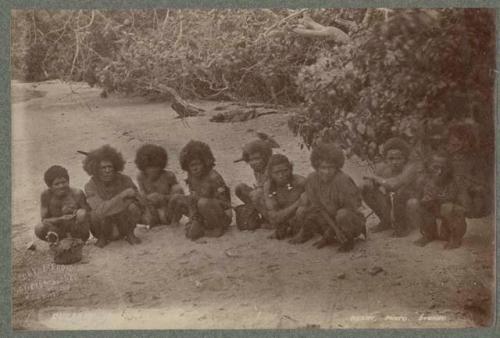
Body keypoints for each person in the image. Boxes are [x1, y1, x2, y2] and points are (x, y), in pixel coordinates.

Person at [290, 143, 366, 252]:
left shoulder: (343, 180)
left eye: (331, 167)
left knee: (342, 214)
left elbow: (351, 209)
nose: (326, 172)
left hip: (349, 221)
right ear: (316, 166)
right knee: (306, 211)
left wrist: (336, 232)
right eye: (323, 167)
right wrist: (334, 230)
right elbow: (319, 208)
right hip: (330, 219)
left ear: (337, 166)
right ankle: (326, 235)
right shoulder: (311, 179)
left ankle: (348, 240)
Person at [169, 140, 232, 240]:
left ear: (205, 162)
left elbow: (227, 205)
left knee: (203, 202)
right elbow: (192, 198)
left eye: (198, 164)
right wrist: (194, 218)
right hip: (202, 213)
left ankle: (217, 229)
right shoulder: (191, 175)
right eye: (192, 166)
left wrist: (203, 200)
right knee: (177, 198)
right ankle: (197, 224)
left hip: (220, 216)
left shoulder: (214, 177)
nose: (195, 168)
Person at [361, 137, 422, 237]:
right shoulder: (382, 168)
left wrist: (376, 178)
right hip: (396, 203)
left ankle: (407, 225)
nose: (394, 162)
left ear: (405, 158)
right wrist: (367, 185)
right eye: (391, 159)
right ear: (385, 158)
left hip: (411, 204)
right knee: (366, 189)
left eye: (399, 158)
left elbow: (394, 184)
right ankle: (385, 221)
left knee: (410, 201)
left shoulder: (410, 168)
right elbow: (370, 184)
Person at [83, 145, 142, 248]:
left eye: (110, 167)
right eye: (103, 168)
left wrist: (111, 206)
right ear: (96, 169)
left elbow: (138, 199)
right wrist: (122, 196)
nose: (107, 170)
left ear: (115, 167)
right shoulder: (90, 185)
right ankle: (102, 237)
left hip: (123, 222)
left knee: (133, 207)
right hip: (104, 225)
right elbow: (99, 211)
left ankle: (130, 234)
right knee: (92, 214)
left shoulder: (125, 179)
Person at [410, 152, 468, 249]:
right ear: (429, 167)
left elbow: (465, 206)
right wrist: (423, 200)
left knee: (448, 207)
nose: (439, 171)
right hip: (435, 212)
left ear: (449, 169)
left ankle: (455, 238)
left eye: (443, 168)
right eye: (435, 167)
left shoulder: (455, 181)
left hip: (450, 218)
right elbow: (417, 197)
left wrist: (440, 199)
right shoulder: (424, 180)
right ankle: (428, 233)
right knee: (413, 203)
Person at [35, 165, 90, 243]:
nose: (61, 186)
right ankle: (57, 241)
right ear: (49, 186)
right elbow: (44, 220)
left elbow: (89, 214)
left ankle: (77, 241)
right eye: (56, 184)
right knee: (39, 228)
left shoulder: (77, 193)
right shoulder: (46, 196)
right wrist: (61, 218)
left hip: (76, 230)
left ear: (68, 181)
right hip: (56, 229)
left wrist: (78, 213)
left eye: (64, 182)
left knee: (82, 213)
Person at [135, 144, 184, 227]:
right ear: (143, 167)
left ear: (161, 165)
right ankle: (152, 221)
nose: (153, 170)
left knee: (177, 189)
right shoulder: (141, 177)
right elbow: (142, 195)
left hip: (168, 210)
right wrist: (147, 199)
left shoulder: (169, 176)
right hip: (152, 211)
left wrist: (163, 197)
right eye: (149, 167)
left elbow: (179, 196)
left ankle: (174, 221)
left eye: (156, 166)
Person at [263, 154, 306, 240]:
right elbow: (274, 216)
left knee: (302, 210)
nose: (281, 175)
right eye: (277, 172)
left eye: (285, 170)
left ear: (291, 169)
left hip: (301, 220)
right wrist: (297, 203)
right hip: (284, 219)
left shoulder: (301, 182)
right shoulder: (269, 186)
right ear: (270, 174)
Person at [234, 139, 273, 228]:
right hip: (266, 198)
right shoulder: (257, 170)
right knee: (240, 188)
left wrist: (259, 191)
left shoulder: (271, 168)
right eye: (251, 159)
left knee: (256, 194)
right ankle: (260, 215)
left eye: (257, 159)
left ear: (265, 157)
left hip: (277, 202)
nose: (253, 163)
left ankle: (273, 221)